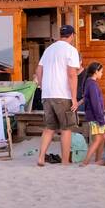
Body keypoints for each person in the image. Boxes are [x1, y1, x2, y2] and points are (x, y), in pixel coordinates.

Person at [36, 25, 82, 166]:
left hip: (48, 94)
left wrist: (43, 87)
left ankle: (41, 157)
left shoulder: (49, 49)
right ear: (72, 35)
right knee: (66, 128)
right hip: (63, 95)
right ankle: (64, 161)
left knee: (49, 128)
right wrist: (74, 98)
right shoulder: (71, 50)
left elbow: (39, 70)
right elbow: (71, 74)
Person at [80, 62, 105, 166]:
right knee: (98, 139)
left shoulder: (89, 82)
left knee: (103, 138)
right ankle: (86, 161)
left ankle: (97, 159)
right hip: (96, 117)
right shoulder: (92, 84)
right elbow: (95, 103)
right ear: (96, 72)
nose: (102, 74)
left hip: (94, 116)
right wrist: (101, 119)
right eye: (101, 72)